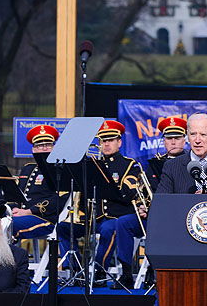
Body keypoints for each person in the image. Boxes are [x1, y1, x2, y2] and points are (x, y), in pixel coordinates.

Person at [57, 120, 145, 288]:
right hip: (92, 219)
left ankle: (99, 270)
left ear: (119, 142)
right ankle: (74, 270)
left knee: (109, 228)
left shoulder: (129, 165)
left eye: (110, 140)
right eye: (103, 141)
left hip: (116, 217)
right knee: (63, 227)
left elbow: (127, 194)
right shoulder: (92, 165)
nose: (106, 144)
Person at [12, 125, 68, 240]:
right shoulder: (28, 168)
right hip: (22, 215)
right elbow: (19, 195)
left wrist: (28, 211)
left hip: (46, 219)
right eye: (39, 145)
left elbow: (60, 199)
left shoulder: (61, 169)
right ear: (33, 150)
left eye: (48, 145)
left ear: (54, 148)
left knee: (9, 226)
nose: (44, 148)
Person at [146, 116, 187, 191]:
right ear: (164, 142)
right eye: (169, 138)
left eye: (177, 138)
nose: (173, 142)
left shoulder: (193, 161)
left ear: (184, 142)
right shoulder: (155, 164)